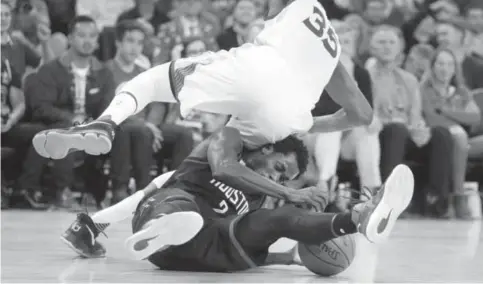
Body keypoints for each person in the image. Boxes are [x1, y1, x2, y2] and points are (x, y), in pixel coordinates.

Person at [32, 0, 373, 159]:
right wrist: (308, 124)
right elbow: (362, 114)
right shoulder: (332, 55)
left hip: (259, 71)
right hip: (287, 117)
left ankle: (104, 124)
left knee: (150, 82)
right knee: (214, 165)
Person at [61, 127, 414, 269]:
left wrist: (288, 257)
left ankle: (358, 220)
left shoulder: (261, 194)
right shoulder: (222, 145)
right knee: (178, 202)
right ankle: (164, 230)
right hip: (170, 231)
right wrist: (92, 224)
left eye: (282, 177)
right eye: (277, 166)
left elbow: (259, 240)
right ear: (266, 146)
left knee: (276, 219)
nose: (274, 177)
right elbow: (143, 193)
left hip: (216, 249)